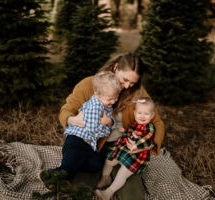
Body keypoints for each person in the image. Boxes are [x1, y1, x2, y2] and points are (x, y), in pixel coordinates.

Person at [59, 52, 165, 199]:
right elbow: (67, 109)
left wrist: (148, 145)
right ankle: (98, 173)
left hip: (123, 147)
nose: (127, 86)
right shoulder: (90, 84)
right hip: (93, 143)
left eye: (132, 83)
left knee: (133, 195)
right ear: (116, 68)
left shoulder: (138, 94)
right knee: (79, 188)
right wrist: (72, 120)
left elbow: (157, 122)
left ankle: (109, 177)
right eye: (125, 80)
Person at [41, 71, 121, 182]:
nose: (113, 101)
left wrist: (110, 122)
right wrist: (107, 129)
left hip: (89, 143)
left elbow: (111, 122)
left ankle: (72, 165)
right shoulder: (95, 107)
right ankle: (48, 175)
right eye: (110, 99)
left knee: (96, 166)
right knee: (68, 168)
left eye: (116, 97)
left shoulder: (105, 104)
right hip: (77, 140)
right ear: (97, 94)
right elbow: (94, 129)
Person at [94, 97, 156, 200]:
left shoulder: (149, 127)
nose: (142, 116)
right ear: (135, 113)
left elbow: (147, 139)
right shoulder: (134, 124)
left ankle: (108, 193)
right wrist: (125, 131)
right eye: (139, 113)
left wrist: (137, 145)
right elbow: (130, 133)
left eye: (146, 114)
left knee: (122, 174)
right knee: (109, 160)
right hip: (125, 151)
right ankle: (105, 178)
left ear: (152, 115)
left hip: (137, 157)